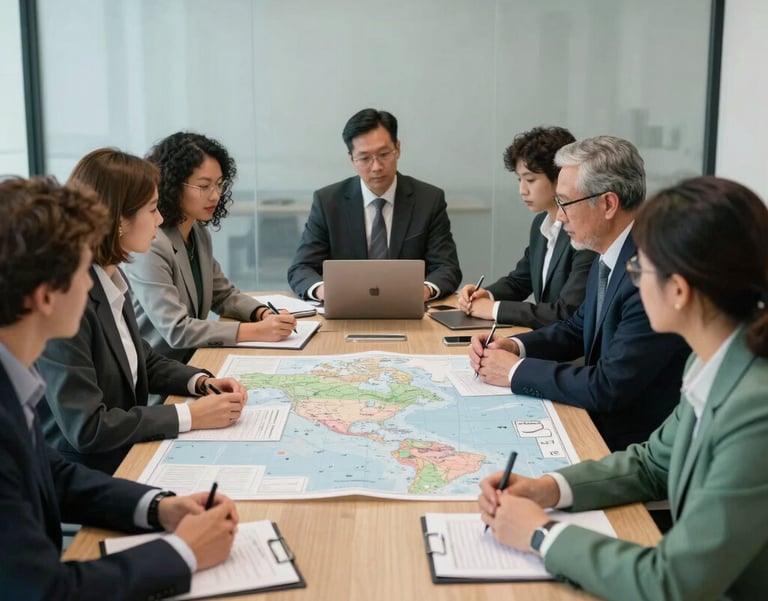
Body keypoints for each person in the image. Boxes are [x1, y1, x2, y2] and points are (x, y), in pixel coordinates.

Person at [478, 176, 768, 601]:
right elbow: (652, 464)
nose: (632, 278)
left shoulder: (755, 409)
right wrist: (547, 489)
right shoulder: (714, 361)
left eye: (639, 268)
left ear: (679, 291)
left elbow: (671, 583)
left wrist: (540, 535)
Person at [0, 176, 238, 600]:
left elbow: (52, 473)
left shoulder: (13, 381)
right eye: (80, 271)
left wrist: (157, 507)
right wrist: (183, 552)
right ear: (44, 297)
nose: (91, 284)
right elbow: (45, 592)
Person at [470, 136, 689, 451]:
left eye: (565, 203)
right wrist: (516, 346)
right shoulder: (610, 251)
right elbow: (576, 327)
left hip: (632, 444)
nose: (559, 216)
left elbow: (608, 385)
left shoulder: (650, 273)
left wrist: (515, 371)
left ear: (608, 204)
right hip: (597, 420)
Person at [36, 149, 247, 474]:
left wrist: (200, 382)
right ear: (119, 220)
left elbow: (140, 358)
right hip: (90, 473)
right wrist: (192, 416)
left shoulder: (109, 276)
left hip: (129, 450)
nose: (161, 219)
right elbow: (88, 428)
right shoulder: (68, 302)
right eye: (152, 209)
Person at [123, 132, 296, 363]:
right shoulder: (151, 243)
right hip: (160, 375)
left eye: (219, 184)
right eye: (204, 186)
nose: (215, 195)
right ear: (173, 185)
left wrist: (262, 313)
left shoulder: (197, 232)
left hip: (196, 358)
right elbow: (177, 330)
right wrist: (258, 331)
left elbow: (223, 294)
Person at [287, 108, 462, 301]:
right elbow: (301, 268)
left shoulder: (429, 200)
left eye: (384, 154)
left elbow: (447, 267)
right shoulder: (328, 202)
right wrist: (324, 291)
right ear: (351, 159)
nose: (376, 167)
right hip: (347, 308)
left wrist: (425, 290)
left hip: (409, 308)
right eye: (364, 158)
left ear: (398, 149)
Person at [458, 126, 596, 328]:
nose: (522, 190)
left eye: (530, 179)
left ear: (561, 176)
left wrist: (493, 309)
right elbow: (519, 281)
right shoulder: (541, 223)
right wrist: (485, 294)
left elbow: (567, 311)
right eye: (519, 179)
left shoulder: (584, 232)